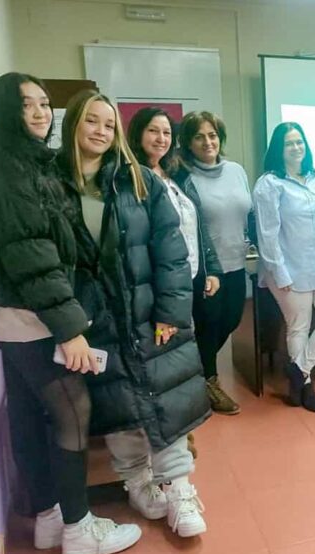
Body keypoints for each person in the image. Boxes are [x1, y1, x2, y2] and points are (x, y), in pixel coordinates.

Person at [0, 73, 141, 554]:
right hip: (28, 314)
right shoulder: (8, 168)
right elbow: (33, 255)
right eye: (28, 105)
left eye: (45, 104)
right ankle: (80, 528)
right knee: (72, 409)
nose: (41, 113)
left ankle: (48, 517)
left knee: (24, 409)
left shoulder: (9, 157)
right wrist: (71, 330)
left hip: (10, 311)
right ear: (5, 109)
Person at [58, 90, 211, 538]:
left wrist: (171, 312)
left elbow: (172, 253)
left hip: (150, 314)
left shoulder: (139, 179)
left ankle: (180, 490)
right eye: (92, 121)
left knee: (168, 399)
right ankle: (138, 482)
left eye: (109, 124)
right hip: (95, 320)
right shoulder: (53, 186)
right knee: (118, 403)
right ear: (73, 127)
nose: (101, 131)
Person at [127, 107, 237, 415]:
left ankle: (201, 387)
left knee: (203, 330)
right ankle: (172, 408)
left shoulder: (177, 174)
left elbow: (198, 224)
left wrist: (211, 269)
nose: (161, 138)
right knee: (167, 345)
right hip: (160, 279)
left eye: (166, 132)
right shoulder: (130, 175)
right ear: (137, 133)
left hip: (192, 273)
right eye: (153, 131)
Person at [253, 122, 315, 413]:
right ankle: (304, 385)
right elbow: (267, 234)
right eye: (289, 143)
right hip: (288, 267)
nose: (296, 148)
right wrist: (279, 273)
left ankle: (297, 370)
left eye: (299, 142)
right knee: (299, 327)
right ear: (278, 150)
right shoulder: (269, 183)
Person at [178, 111, 252, 414]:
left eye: (212, 135)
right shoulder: (185, 177)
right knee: (208, 326)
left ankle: (192, 374)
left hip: (237, 262)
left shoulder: (236, 170)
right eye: (199, 136)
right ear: (188, 143)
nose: (207, 142)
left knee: (232, 320)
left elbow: (246, 211)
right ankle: (208, 383)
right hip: (208, 271)